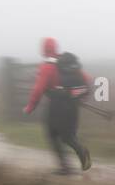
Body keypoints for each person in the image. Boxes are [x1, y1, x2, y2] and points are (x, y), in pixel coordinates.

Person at [23, 37, 92, 174]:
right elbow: (87, 80)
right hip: (72, 106)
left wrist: (30, 107)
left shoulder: (47, 66)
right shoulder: (67, 63)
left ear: (44, 49)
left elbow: (38, 89)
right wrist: (80, 98)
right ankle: (80, 152)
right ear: (55, 48)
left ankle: (66, 167)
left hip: (57, 106)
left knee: (52, 134)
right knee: (68, 136)